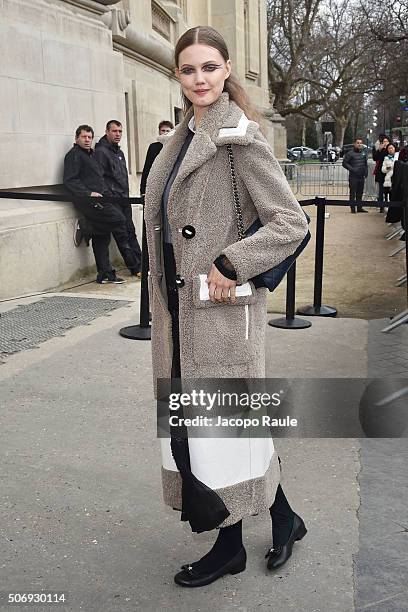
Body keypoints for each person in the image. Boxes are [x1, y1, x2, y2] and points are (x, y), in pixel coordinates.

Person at [144, 26, 309, 588]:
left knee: (221, 432)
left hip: (218, 313)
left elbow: (291, 222)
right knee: (227, 427)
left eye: (209, 68)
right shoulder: (179, 139)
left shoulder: (239, 139)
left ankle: (230, 545)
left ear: (228, 68)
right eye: (189, 69)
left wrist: (230, 263)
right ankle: (284, 517)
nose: (200, 79)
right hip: (179, 311)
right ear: (178, 75)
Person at [63, 125, 139, 284]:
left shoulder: (91, 154)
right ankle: (86, 227)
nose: (87, 140)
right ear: (77, 138)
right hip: (89, 201)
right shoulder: (74, 155)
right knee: (119, 220)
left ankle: (105, 273)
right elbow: (70, 180)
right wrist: (88, 194)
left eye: (89, 137)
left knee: (102, 237)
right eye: (84, 137)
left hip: (102, 199)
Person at [95, 120, 142, 276]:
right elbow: (100, 178)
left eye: (120, 131)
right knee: (122, 235)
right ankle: (135, 267)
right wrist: (109, 198)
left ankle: (142, 265)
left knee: (131, 231)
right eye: (114, 131)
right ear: (107, 131)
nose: (118, 134)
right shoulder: (101, 152)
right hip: (113, 200)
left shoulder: (119, 152)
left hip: (124, 198)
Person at [140, 120, 174, 196]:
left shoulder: (175, 147)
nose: (165, 133)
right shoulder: (153, 147)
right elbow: (147, 168)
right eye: (163, 130)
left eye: (167, 131)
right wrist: (143, 190)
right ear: (159, 132)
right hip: (155, 183)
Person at [342, 137, 369, 213]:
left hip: (361, 176)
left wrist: (366, 172)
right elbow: (344, 163)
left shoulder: (363, 153)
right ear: (354, 144)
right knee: (353, 192)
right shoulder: (350, 153)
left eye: (360, 143)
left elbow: (365, 163)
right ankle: (353, 208)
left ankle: (359, 207)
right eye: (358, 143)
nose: (359, 144)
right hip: (353, 176)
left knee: (360, 192)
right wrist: (352, 169)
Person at [372, 134, 390, 212]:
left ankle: (388, 204)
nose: (385, 143)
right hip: (381, 173)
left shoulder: (390, 149)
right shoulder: (381, 150)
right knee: (381, 190)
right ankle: (381, 206)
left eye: (386, 141)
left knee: (388, 190)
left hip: (389, 173)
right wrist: (379, 150)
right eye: (383, 142)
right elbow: (375, 158)